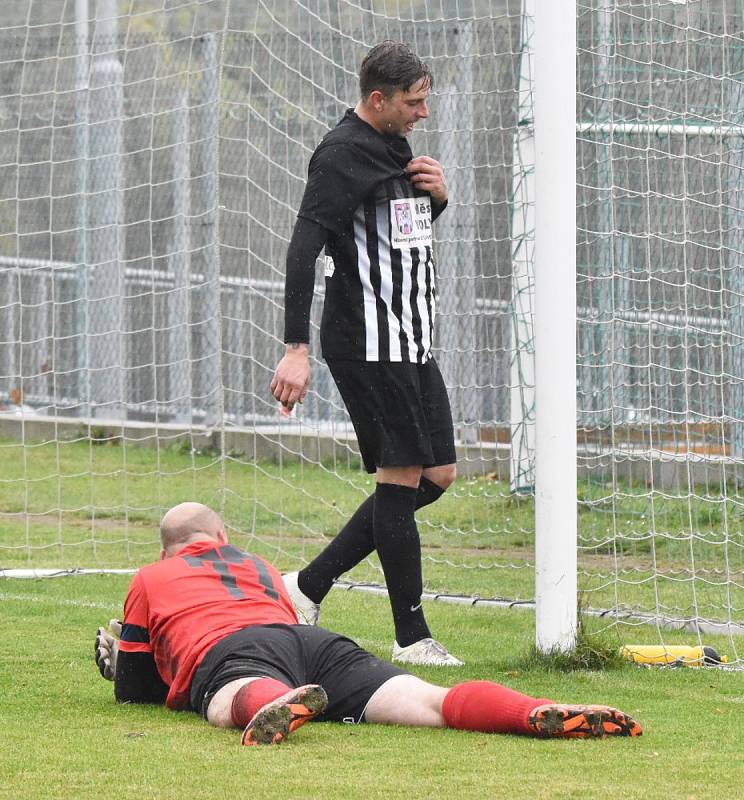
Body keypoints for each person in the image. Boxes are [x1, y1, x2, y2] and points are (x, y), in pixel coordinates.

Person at [94, 502, 642, 747]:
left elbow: (138, 689)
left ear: (167, 549)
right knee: (430, 700)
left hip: (232, 651)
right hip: (312, 641)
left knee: (229, 694)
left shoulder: (151, 576)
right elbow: (283, 627)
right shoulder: (258, 566)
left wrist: (117, 661)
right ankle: (527, 713)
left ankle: (272, 703)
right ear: (222, 535)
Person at [270, 41, 461, 666]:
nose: (422, 113)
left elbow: (395, 234)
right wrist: (295, 348)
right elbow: (304, 249)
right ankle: (414, 637)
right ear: (377, 99)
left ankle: (308, 584)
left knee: (436, 476)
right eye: (414, 101)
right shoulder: (340, 153)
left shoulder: (394, 147)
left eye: (425, 99)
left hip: (411, 340)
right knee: (402, 476)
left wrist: (435, 201)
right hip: (370, 343)